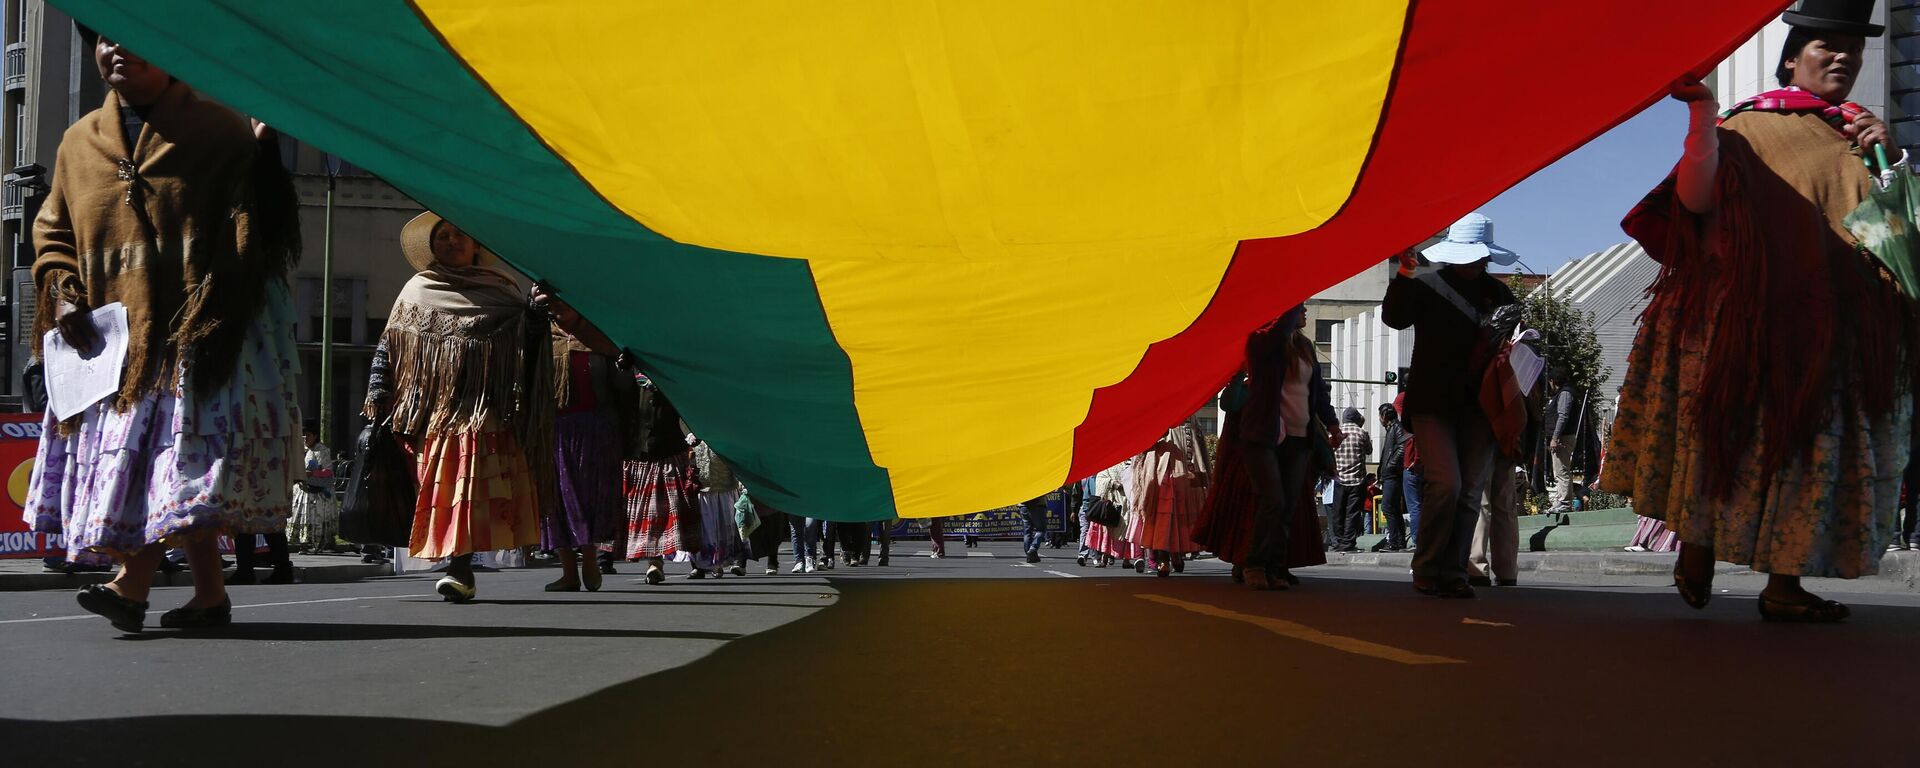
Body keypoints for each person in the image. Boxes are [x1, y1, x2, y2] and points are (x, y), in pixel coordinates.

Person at [1603, 2, 1915, 622]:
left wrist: (1894, 165)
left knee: (1808, 452)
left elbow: (1897, 239)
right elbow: (1694, 198)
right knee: (1729, 435)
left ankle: (1784, 585)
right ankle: (1697, 543)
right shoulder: (1749, 126)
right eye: (1825, 45)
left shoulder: (1861, 135)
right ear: (1791, 60)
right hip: (1750, 321)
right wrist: (1700, 119)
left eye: (1851, 48)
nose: (1842, 57)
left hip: (1834, 329)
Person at [25, 30, 303, 632]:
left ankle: (131, 585)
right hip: (113, 345)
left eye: (132, 36)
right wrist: (64, 291)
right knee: (167, 470)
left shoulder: (219, 131)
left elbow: (261, 231)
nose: (115, 48)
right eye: (102, 38)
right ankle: (209, 597)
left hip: (194, 337)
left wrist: (263, 160)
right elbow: (53, 231)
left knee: (173, 469)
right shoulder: (78, 142)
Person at [367, 211, 553, 603]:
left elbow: (528, 347)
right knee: (444, 489)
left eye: (460, 234)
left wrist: (535, 317)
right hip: (431, 412)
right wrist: (378, 395)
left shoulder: (502, 289)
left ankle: (460, 567)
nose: (452, 241)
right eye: (443, 236)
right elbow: (389, 345)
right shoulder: (418, 289)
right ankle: (459, 565)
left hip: (487, 408)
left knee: (470, 486)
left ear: (476, 245)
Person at [1382, 213, 1520, 599]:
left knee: (1471, 490)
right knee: (1447, 482)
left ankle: (1454, 571)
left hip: (1480, 406)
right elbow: (1394, 317)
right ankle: (1427, 567)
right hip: (1431, 403)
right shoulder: (1426, 285)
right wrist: (1404, 273)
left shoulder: (1502, 295)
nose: (1471, 263)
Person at [1240, 305, 1340, 590]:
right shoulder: (1261, 341)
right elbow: (1276, 336)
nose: (1304, 309)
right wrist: (1288, 300)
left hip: (1299, 438)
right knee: (1272, 500)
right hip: (1264, 436)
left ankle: (1275, 566)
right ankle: (1255, 564)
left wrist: (1332, 425)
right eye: (1298, 306)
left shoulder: (1305, 346)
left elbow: (1318, 391)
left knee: (1288, 506)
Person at [540, 306, 628, 592]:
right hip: (555, 430)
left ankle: (590, 560)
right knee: (556, 500)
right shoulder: (541, 338)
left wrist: (623, 365)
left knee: (588, 497)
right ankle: (568, 572)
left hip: (595, 430)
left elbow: (623, 388)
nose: (556, 307)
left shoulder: (598, 338)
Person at [620, 391, 703, 584]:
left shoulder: (670, 376)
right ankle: (655, 561)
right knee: (649, 514)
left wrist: (692, 432)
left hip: (669, 451)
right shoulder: (629, 372)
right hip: (640, 452)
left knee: (666, 513)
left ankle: (663, 562)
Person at [1126, 418, 1211, 575]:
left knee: (1182, 514)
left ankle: (1177, 554)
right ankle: (1164, 558)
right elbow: (1144, 439)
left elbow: (1199, 444)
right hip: (1161, 467)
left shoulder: (1191, 416)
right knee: (1162, 516)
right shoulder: (1160, 409)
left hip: (1187, 469)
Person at [686, 437, 745, 578]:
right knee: (702, 531)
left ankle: (719, 564)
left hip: (724, 489)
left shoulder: (723, 435)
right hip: (701, 490)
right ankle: (699, 566)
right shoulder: (691, 439)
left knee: (722, 530)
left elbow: (736, 461)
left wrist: (742, 485)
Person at [288, 420, 340, 554]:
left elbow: (328, 472)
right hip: (303, 490)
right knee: (303, 517)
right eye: (303, 435)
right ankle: (304, 543)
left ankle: (319, 543)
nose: (305, 438)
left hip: (318, 491)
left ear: (315, 436)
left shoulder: (322, 451)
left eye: (308, 435)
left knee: (317, 518)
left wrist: (311, 473)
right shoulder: (301, 450)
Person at [1329, 408, 1372, 552]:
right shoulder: (1362, 433)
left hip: (1340, 479)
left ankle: (1339, 541)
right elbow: (1369, 450)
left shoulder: (1335, 433)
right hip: (1357, 480)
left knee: (1338, 511)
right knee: (1352, 512)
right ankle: (1348, 543)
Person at [1371, 402, 1411, 551]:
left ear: (1385, 415)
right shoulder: (1391, 429)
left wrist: (1389, 466)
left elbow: (1402, 449)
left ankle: (1394, 541)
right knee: (1393, 508)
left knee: (1388, 507)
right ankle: (1399, 540)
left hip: (1393, 475)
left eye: (1380, 416)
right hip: (1389, 475)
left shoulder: (1397, 428)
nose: (1379, 419)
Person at [1545, 370, 1585, 514]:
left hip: (1563, 438)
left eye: (1550, 382)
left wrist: (1555, 438)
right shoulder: (1564, 393)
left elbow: (1563, 416)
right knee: (1559, 471)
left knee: (1562, 471)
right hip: (1562, 437)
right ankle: (1560, 501)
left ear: (1554, 381)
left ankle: (1564, 502)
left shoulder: (1565, 394)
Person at [1020, 495, 1049, 564]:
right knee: (1041, 530)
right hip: (1038, 505)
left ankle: (1030, 555)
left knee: (1027, 531)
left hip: (1023, 505)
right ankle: (1032, 549)